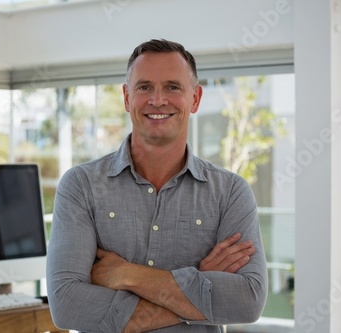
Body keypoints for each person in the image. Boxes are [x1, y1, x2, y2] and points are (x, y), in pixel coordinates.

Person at [46, 38, 268, 333]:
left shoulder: (230, 193)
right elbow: (67, 305)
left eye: (173, 87)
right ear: (127, 98)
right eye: (144, 87)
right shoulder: (81, 186)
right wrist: (199, 286)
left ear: (195, 98)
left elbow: (247, 301)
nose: (158, 99)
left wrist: (128, 275)